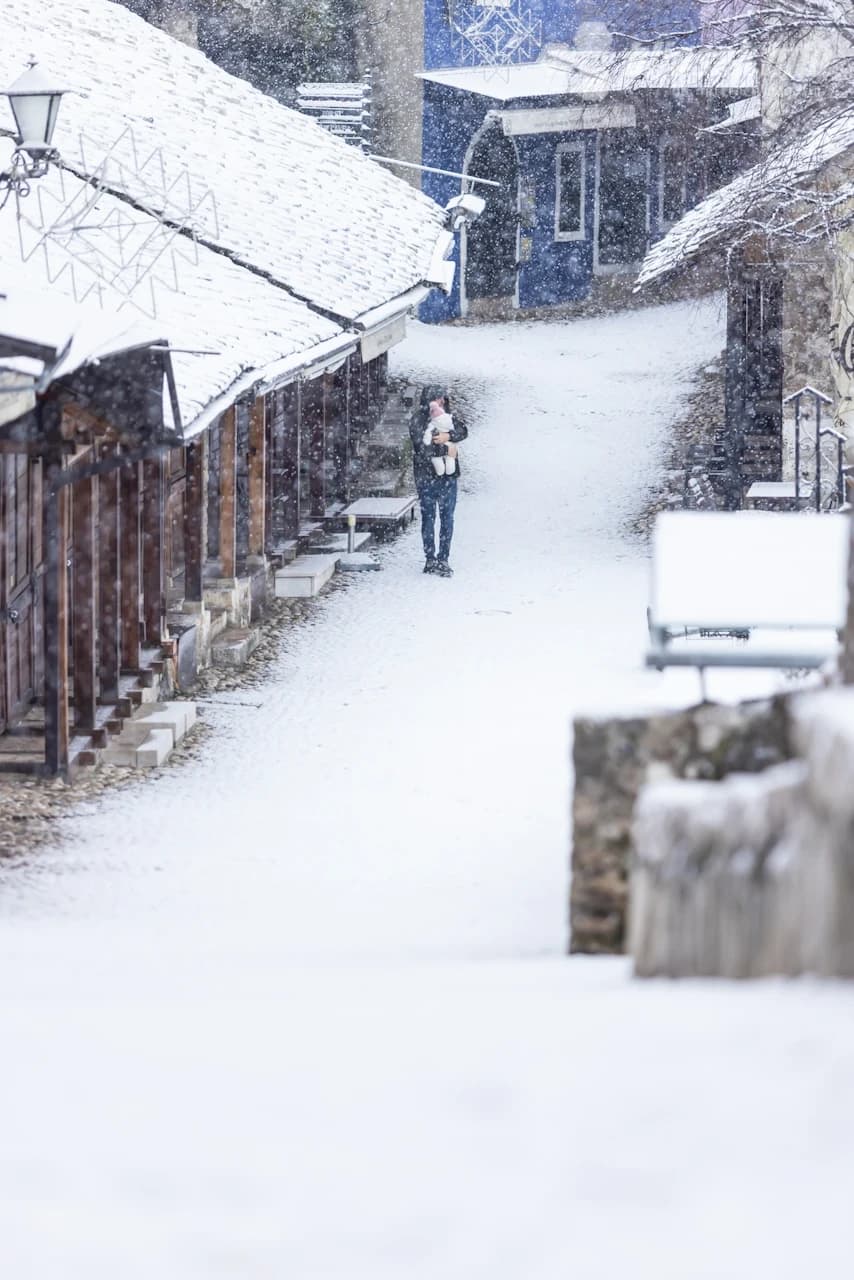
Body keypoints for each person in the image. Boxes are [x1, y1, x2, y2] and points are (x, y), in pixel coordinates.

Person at [409, 384, 468, 577]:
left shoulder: (447, 418)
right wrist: (446, 448)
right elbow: (421, 448)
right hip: (426, 477)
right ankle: (430, 558)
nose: (442, 402)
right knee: (429, 518)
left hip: (448, 478)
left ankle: (443, 557)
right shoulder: (418, 420)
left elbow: (463, 431)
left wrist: (448, 436)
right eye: (439, 398)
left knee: (447, 518)